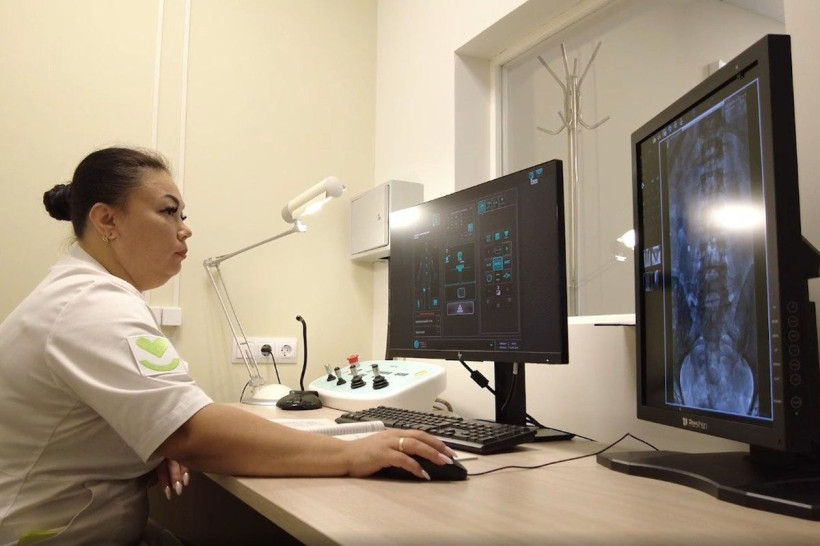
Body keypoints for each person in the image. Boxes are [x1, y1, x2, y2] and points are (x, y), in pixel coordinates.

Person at [0, 147, 455, 545]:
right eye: (168, 212)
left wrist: (156, 445)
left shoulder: (84, 292)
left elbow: (168, 424)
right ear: (107, 220)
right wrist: (351, 455)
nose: (185, 230)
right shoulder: (91, 304)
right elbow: (192, 433)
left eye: (183, 215)